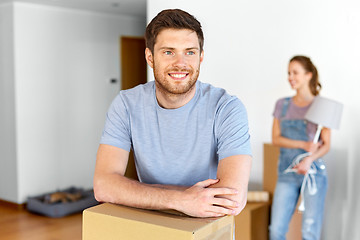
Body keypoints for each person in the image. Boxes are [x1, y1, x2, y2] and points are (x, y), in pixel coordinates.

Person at [93, 9, 252, 218]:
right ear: (150, 57)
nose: (181, 63)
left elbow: (230, 201)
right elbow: (104, 185)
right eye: (169, 52)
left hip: (208, 230)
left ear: (201, 57)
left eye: (190, 52)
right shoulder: (126, 104)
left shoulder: (227, 108)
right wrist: (182, 200)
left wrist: (139, 193)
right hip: (152, 225)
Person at [269, 56, 331, 240]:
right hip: (287, 173)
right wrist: (303, 145)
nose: (290, 77)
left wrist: (309, 158)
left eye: (295, 72)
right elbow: (275, 138)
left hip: (313, 175)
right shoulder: (282, 104)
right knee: (276, 230)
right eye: (288, 73)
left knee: (309, 232)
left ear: (308, 75)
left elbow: (326, 144)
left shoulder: (322, 106)